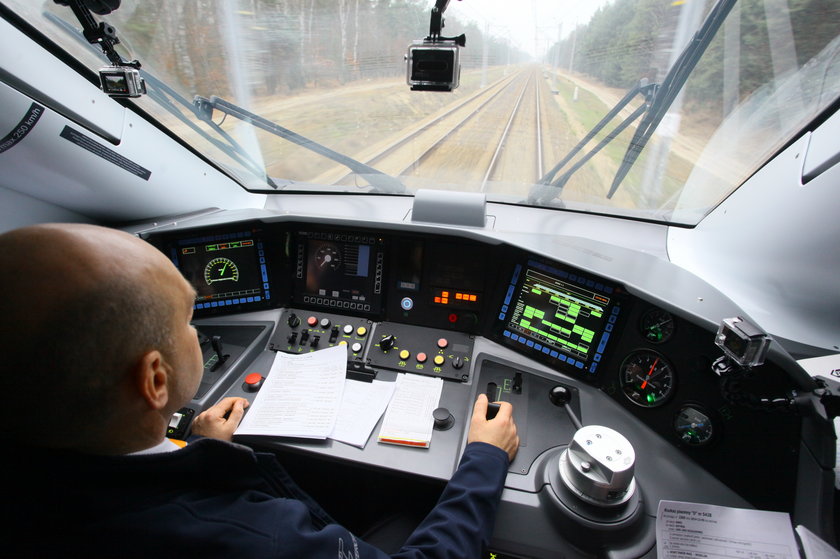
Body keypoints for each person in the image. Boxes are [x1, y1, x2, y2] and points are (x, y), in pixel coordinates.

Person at [0, 223, 519, 558]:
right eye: (188, 318)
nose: (198, 330)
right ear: (156, 381)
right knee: (410, 508)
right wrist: (482, 460)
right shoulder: (259, 539)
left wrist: (203, 455)